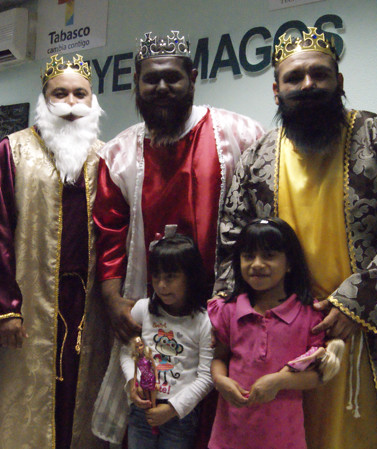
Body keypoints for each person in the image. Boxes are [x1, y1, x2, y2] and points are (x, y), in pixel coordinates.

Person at [214, 28, 377, 449]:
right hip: (275, 347)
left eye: (319, 74)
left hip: (362, 335)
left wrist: (356, 302)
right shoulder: (255, 159)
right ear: (276, 91)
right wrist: (227, 331)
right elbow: (232, 244)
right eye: (294, 77)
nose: (308, 84)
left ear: (338, 81)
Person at [92, 30, 264, 445]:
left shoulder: (240, 134)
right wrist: (113, 299)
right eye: (151, 79)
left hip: (221, 308)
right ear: (136, 83)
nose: (162, 87)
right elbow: (109, 233)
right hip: (148, 309)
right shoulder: (117, 153)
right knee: (147, 408)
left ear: (192, 79)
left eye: (173, 77)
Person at [0, 54, 110, 449]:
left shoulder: (106, 157)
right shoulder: (12, 152)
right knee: (19, 401)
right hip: (26, 301)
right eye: (60, 93)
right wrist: (4, 309)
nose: (71, 103)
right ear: (44, 98)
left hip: (87, 306)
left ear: (92, 100)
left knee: (78, 397)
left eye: (80, 94)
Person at [208, 218, 344, 449]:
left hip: (283, 437)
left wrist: (280, 381)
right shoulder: (229, 310)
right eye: (248, 256)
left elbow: (318, 375)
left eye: (269, 256)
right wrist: (221, 381)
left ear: (289, 263)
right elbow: (220, 357)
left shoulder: (308, 315)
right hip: (229, 435)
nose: (257, 264)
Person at [119, 230, 213, 449]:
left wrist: (172, 409)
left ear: (190, 276)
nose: (161, 285)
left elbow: (206, 377)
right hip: (142, 409)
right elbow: (127, 351)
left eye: (170, 277)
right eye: (156, 276)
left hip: (180, 416)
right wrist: (132, 382)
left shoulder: (204, 321)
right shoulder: (143, 309)